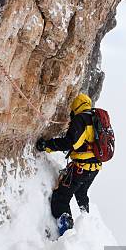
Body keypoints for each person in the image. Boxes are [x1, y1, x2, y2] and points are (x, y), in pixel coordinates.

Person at [36, 93, 101, 236]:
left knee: (60, 198)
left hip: (81, 168)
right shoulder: (96, 119)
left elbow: (70, 143)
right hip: (94, 168)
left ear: (76, 107)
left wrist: (47, 145)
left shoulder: (81, 119)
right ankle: (87, 220)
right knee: (81, 193)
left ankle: (67, 234)